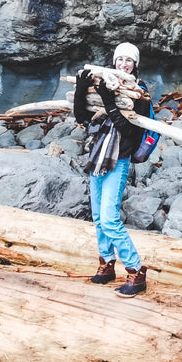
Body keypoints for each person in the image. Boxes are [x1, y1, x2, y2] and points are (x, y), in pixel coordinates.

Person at [73, 41, 152, 297]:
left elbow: (130, 130)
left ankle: (136, 272)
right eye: (120, 60)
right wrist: (81, 91)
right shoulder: (105, 87)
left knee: (109, 219)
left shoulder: (138, 93)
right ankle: (106, 265)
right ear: (114, 62)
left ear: (135, 64)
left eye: (129, 60)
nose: (123, 64)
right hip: (98, 159)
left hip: (118, 160)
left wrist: (110, 103)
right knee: (98, 218)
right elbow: (83, 119)